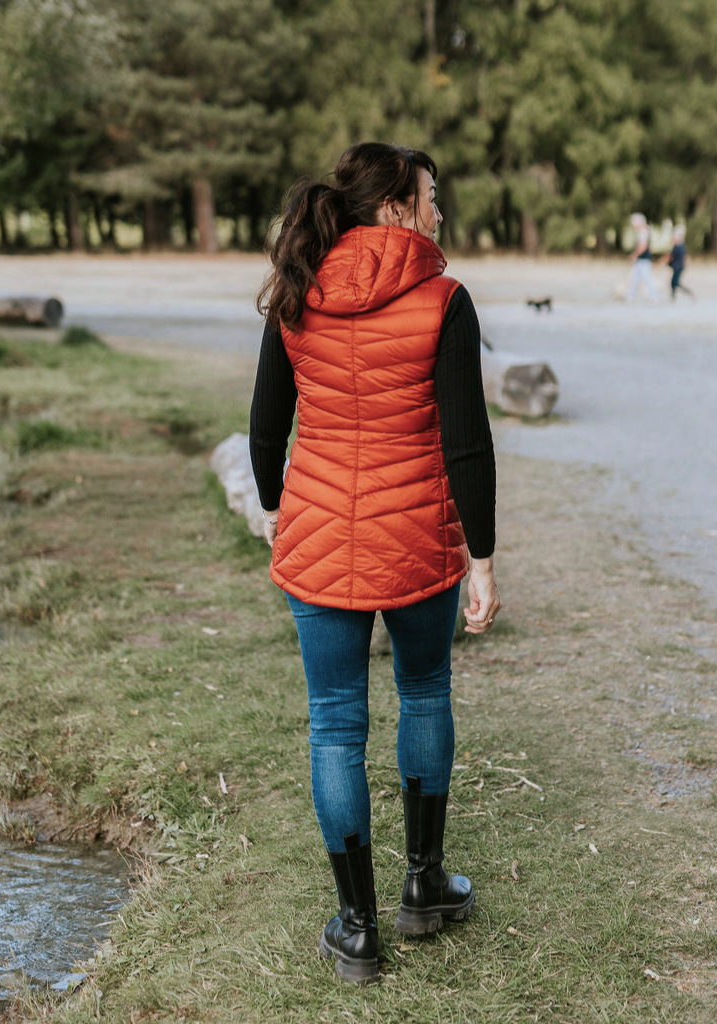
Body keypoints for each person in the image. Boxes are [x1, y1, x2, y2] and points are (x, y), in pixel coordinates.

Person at [249, 142, 501, 985]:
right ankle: (424, 887)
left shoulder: (298, 288)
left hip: (320, 539)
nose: (440, 212)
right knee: (424, 693)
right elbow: (467, 442)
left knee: (334, 724)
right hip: (417, 542)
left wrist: (282, 510)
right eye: (431, 196)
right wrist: (485, 557)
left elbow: (263, 426)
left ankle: (357, 929)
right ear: (393, 207)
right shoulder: (444, 300)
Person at [625, 212, 658, 302]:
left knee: (646, 278)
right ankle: (630, 296)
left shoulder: (643, 231)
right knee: (634, 278)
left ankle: (653, 296)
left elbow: (643, 246)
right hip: (642, 259)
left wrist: (635, 254)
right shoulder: (644, 230)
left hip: (643, 259)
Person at [661, 225, 694, 300]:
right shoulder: (682, 246)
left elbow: (670, 256)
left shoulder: (677, 247)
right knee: (674, 283)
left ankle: (688, 293)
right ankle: (673, 297)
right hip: (680, 266)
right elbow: (685, 257)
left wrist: (662, 262)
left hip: (677, 267)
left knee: (675, 283)